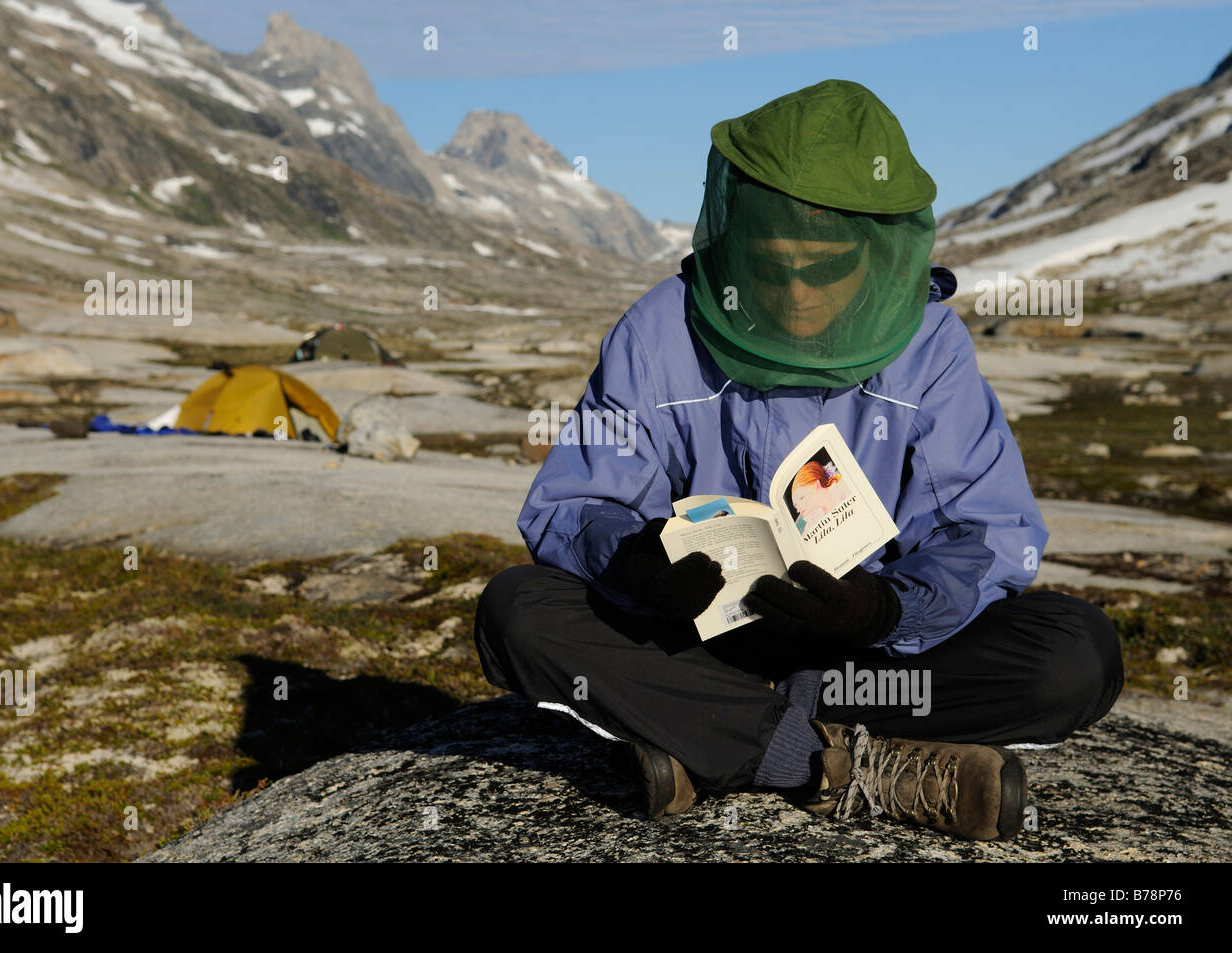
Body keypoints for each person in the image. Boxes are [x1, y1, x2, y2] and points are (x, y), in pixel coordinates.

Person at [474, 79, 1123, 841]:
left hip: (869, 658)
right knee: (516, 611)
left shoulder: (931, 348)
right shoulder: (658, 333)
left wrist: (885, 608)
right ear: (738, 234)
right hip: (700, 641)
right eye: (775, 262)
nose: (798, 291)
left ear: (880, 253)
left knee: (1077, 654)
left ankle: (714, 737)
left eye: (828, 267)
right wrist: (632, 564)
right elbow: (570, 502)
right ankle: (825, 760)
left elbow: (991, 533)